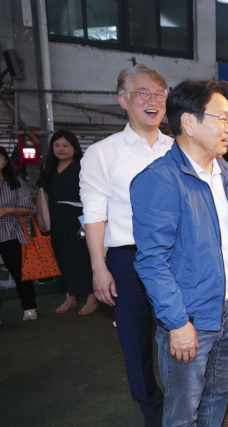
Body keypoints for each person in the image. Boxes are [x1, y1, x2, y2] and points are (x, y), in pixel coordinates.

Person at [130, 79, 228, 427]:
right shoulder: (161, 179)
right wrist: (177, 323)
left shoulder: (225, 172)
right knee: (183, 410)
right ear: (188, 122)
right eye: (223, 118)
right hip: (191, 317)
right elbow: (152, 262)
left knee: (219, 391)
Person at [80, 64, 171, 426]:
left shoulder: (179, 149)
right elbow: (94, 213)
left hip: (176, 256)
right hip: (127, 259)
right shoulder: (103, 153)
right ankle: (153, 409)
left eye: (159, 95)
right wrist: (99, 268)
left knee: (184, 333)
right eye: (143, 93)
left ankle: (183, 401)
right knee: (135, 342)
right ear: (123, 100)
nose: (153, 101)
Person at [37, 130, 97, 315]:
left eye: (65, 145)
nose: (61, 149)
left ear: (74, 148)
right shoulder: (48, 168)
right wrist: (40, 217)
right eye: (57, 145)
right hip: (55, 219)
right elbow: (41, 194)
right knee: (62, 257)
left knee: (83, 257)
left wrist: (87, 221)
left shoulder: (83, 166)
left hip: (78, 219)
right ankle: (70, 297)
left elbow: (93, 195)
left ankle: (92, 298)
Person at [0, 146, 37, 322]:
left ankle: (29, 307)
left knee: (20, 272)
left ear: (6, 161)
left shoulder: (16, 182)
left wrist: (8, 209)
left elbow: (28, 208)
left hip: (11, 232)